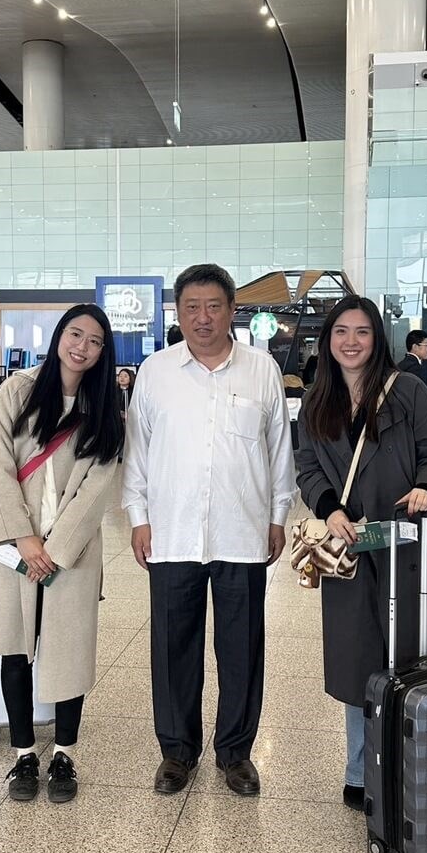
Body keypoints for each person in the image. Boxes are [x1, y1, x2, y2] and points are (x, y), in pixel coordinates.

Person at [122, 263, 296, 798]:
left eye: (213, 306)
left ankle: (236, 753)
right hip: (171, 532)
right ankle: (176, 752)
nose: (203, 317)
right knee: (174, 645)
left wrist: (277, 516)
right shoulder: (155, 371)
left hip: (242, 531)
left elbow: (278, 451)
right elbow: (138, 452)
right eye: (192, 307)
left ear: (232, 310)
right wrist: (138, 517)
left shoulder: (261, 370)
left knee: (242, 646)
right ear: (178, 312)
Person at [296, 295, 427, 812]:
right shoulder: (318, 400)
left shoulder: (408, 390)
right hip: (350, 548)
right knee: (358, 659)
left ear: (376, 338)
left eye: (362, 331)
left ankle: (412, 762)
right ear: (328, 339)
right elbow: (308, 467)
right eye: (341, 331)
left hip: (406, 543)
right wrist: (328, 507)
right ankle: (361, 769)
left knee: (410, 652)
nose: (351, 341)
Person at [0, 304, 123, 803]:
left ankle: (63, 752)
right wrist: (24, 538)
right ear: (60, 336)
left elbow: (100, 484)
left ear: (104, 351)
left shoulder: (104, 406)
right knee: (15, 645)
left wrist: (56, 549)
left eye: (94, 340)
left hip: (72, 551)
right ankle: (22, 755)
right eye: (74, 334)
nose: (82, 346)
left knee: (68, 647)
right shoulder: (17, 391)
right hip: (16, 546)